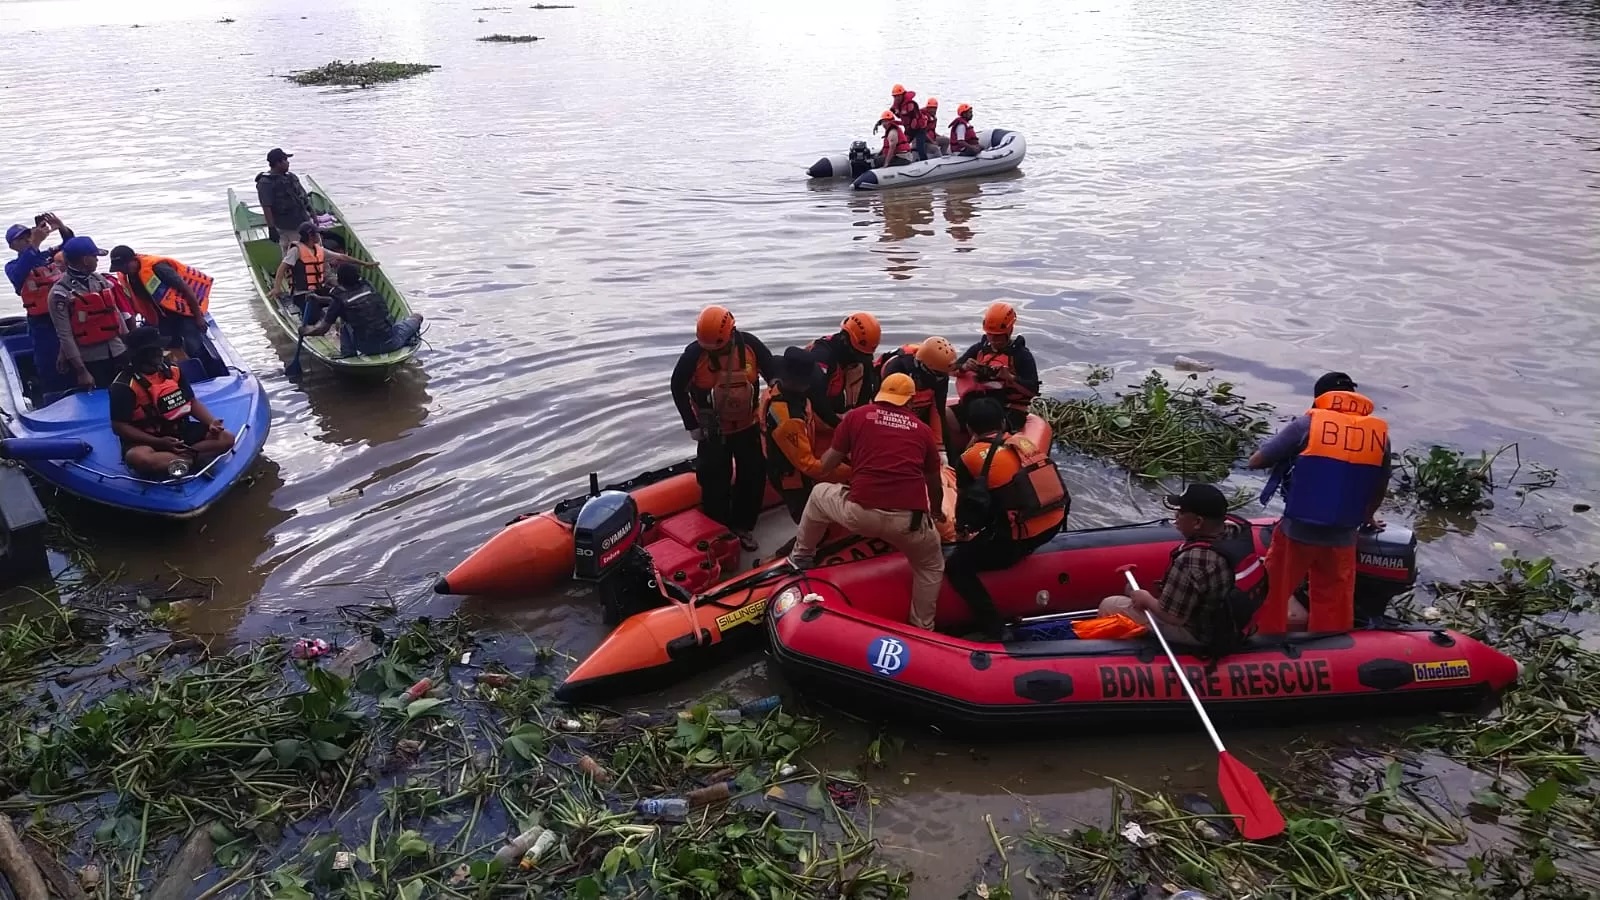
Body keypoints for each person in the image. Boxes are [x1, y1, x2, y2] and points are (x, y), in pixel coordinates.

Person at [788, 373, 946, 630]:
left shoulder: (856, 416)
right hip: (909, 523)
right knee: (930, 566)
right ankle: (922, 627)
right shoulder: (923, 431)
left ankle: (801, 557)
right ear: (910, 401)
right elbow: (934, 483)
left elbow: (826, 466)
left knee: (819, 495)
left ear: (881, 393)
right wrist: (937, 512)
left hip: (860, 513)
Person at [1247, 372, 1390, 635]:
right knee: (1333, 600)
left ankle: (1265, 638)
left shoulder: (1306, 425)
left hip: (1297, 531)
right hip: (1343, 535)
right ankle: (1331, 649)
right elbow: (1380, 484)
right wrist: (1368, 515)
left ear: (1319, 399)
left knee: (1274, 590)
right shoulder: (1379, 434)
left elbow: (1256, 461)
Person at [948, 399, 1069, 637]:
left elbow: (966, 506)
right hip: (1054, 523)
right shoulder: (1023, 442)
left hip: (1019, 539)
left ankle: (993, 627)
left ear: (970, 429)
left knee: (956, 566)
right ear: (1003, 423)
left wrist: (962, 533)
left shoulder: (969, 458)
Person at [1098, 484, 1265, 650]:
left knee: (1111, 604)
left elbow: (1173, 617)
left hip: (1201, 635)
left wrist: (1146, 599)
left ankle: (1111, 653)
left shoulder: (1193, 559)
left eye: (1180, 514)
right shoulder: (1235, 532)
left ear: (1198, 522)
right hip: (1233, 625)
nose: (1175, 518)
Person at [670, 305, 778, 551]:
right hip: (712, 432)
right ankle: (717, 528)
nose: (710, 351)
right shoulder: (694, 354)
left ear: (731, 332)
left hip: (748, 425)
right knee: (713, 481)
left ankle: (744, 526)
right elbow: (677, 388)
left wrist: (774, 406)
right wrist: (691, 425)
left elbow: (774, 373)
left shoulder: (750, 346)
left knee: (753, 475)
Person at [109, 326, 235, 478]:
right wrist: (159, 442)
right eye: (154, 349)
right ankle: (191, 460)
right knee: (139, 458)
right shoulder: (123, 386)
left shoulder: (174, 370)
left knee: (227, 438)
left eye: (160, 348)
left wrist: (211, 423)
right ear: (140, 354)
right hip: (147, 438)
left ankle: (182, 462)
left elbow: (192, 402)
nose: (160, 352)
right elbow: (120, 427)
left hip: (179, 431)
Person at [760, 347, 851, 522]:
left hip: (794, 454)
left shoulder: (783, 392)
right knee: (807, 518)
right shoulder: (789, 418)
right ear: (798, 381)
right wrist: (851, 471)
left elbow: (811, 421)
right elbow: (809, 466)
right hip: (790, 477)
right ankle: (805, 543)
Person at [107, 246, 215, 367]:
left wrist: (198, 317)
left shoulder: (158, 268)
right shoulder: (128, 276)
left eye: (124, 266)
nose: (123, 270)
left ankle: (208, 370)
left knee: (193, 345)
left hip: (183, 312)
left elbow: (187, 289)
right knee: (168, 346)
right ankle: (181, 370)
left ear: (133, 260)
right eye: (120, 268)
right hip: (162, 316)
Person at [47, 236, 129, 391]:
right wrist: (81, 371)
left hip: (118, 351)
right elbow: (64, 334)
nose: (97, 261)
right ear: (85, 260)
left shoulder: (99, 281)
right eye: (95, 257)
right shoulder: (59, 293)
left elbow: (116, 314)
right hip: (91, 359)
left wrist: (129, 346)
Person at [6, 214, 76, 393]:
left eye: (27, 235)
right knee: (48, 360)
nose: (27, 240)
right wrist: (34, 244)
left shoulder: (48, 256)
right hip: (42, 322)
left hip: (65, 315)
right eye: (20, 239)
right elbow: (19, 273)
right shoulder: (13, 266)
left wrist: (61, 226)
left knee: (75, 354)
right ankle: (53, 397)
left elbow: (71, 246)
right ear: (13, 246)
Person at [302, 264, 424, 357]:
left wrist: (305, 331)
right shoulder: (368, 287)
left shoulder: (338, 300)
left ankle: (348, 355)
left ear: (339, 280)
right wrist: (319, 299)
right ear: (358, 276)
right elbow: (348, 302)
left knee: (345, 324)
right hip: (392, 340)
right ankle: (410, 339)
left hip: (366, 347)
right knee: (417, 317)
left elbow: (323, 329)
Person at [958, 301, 1040, 431]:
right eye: (990, 335)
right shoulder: (979, 349)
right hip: (980, 405)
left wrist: (1011, 378)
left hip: (1008, 409)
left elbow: (1033, 390)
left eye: (998, 336)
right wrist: (964, 367)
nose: (994, 340)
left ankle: (980, 445)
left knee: (985, 425)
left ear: (1010, 330)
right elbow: (952, 369)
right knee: (948, 416)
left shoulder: (1022, 355)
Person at [272, 223, 380, 319]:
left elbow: (342, 257)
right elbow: (282, 268)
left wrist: (365, 264)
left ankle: (333, 315)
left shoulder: (318, 249)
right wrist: (277, 288)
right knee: (312, 318)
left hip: (318, 290)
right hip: (302, 293)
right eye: (317, 234)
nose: (320, 236)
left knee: (342, 300)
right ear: (311, 236)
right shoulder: (295, 251)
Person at [806, 312, 882, 449]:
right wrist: (839, 424)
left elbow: (867, 391)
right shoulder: (822, 354)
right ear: (846, 340)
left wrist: (859, 420)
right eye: (858, 353)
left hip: (840, 411)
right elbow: (815, 396)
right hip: (816, 412)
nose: (860, 358)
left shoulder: (862, 359)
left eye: (864, 355)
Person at [879, 336, 959, 455]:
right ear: (925, 367)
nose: (941, 378)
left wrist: (940, 448)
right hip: (890, 412)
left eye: (944, 374)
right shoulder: (897, 368)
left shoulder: (940, 373)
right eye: (939, 374)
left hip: (920, 410)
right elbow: (887, 409)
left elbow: (938, 411)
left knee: (947, 442)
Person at [256, 148, 313, 255]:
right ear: (278, 163)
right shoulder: (266, 183)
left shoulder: (291, 177)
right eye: (285, 160)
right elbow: (266, 207)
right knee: (294, 255)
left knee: (312, 250)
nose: (288, 162)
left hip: (303, 222)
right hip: (287, 227)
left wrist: (313, 215)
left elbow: (303, 197)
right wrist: (271, 228)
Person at [889, 84, 928, 161]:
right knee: (902, 144)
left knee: (920, 147)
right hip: (909, 128)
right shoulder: (899, 105)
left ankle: (924, 161)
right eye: (895, 96)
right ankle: (896, 158)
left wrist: (908, 129)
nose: (896, 98)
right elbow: (902, 117)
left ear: (903, 95)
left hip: (919, 128)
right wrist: (895, 113)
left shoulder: (911, 104)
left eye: (898, 96)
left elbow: (914, 118)